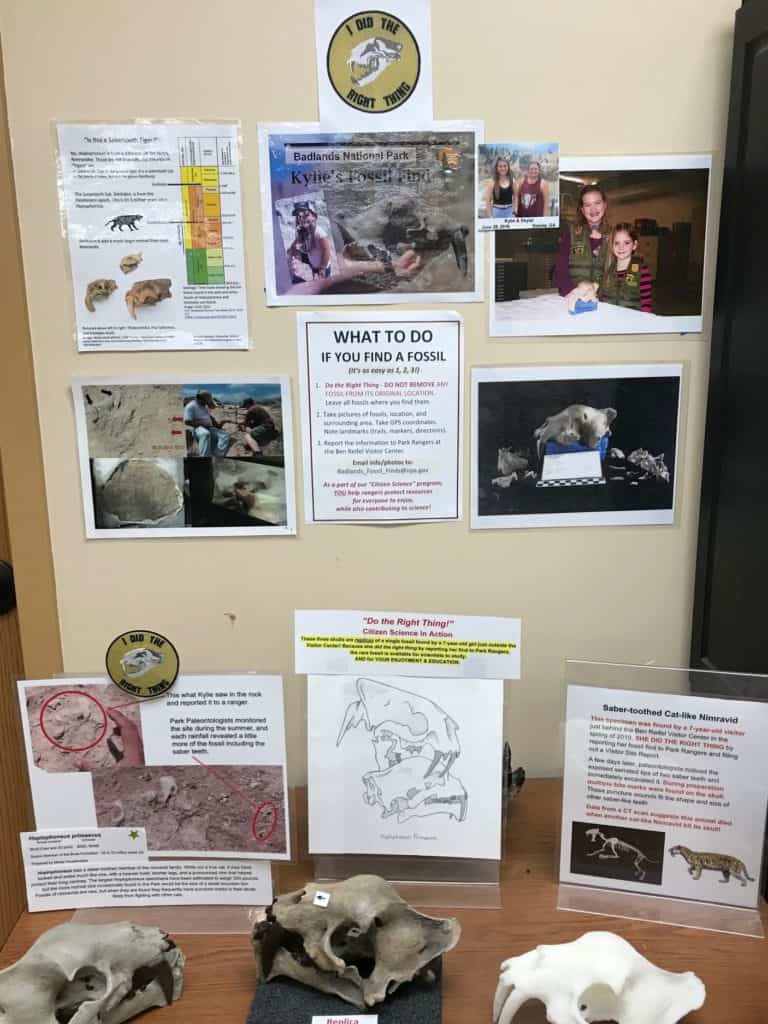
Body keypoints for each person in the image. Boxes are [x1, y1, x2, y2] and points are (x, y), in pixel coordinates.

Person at [553, 184, 611, 296]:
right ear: (582, 210)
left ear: (605, 205)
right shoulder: (570, 234)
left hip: (604, 302)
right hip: (573, 296)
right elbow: (560, 270)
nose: (593, 209)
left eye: (597, 203)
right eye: (587, 205)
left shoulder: (614, 236)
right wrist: (572, 294)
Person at [600, 222, 654, 312]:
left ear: (634, 245)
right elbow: (602, 297)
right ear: (612, 246)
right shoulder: (609, 268)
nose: (621, 247)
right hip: (610, 318)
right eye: (617, 243)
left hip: (632, 320)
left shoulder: (642, 270)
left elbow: (646, 301)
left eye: (627, 243)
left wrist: (645, 320)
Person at [287, 201, 332, 282]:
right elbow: (295, 244)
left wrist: (322, 269)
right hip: (314, 265)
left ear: (313, 216)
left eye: (306, 215)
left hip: (323, 266)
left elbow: (327, 251)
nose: (301, 218)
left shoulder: (319, 232)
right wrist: (291, 249)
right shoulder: (303, 232)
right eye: (298, 216)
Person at [183, 390, 233, 457]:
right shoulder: (191, 406)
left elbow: (209, 416)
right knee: (205, 434)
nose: (206, 403)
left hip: (209, 427)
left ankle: (217, 455)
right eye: (205, 401)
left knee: (225, 436)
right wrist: (202, 423)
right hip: (197, 428)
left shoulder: (205, 406)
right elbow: (187, 422)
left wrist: (218, 424)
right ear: (200, 399)